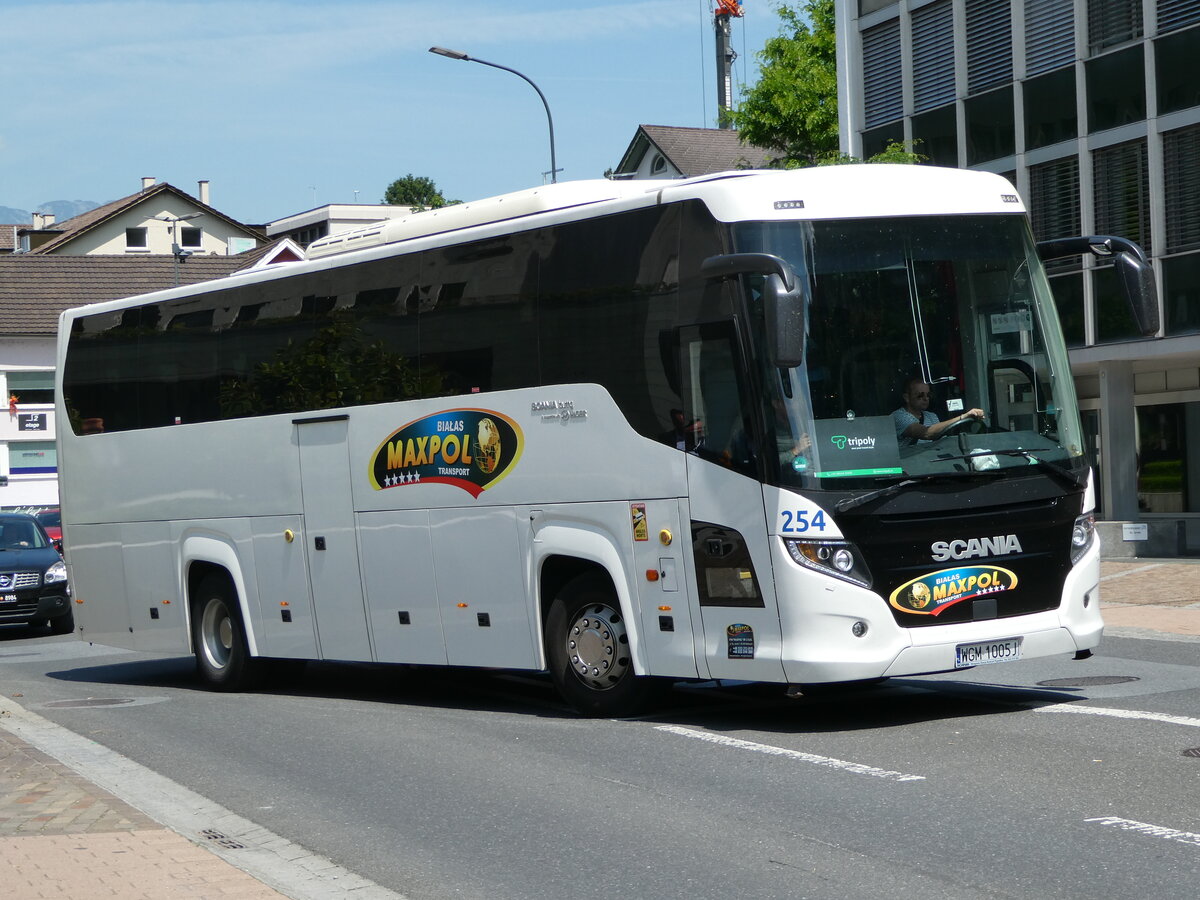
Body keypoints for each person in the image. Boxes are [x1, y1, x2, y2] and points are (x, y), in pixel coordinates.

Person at [893, 377, 984, 447]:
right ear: (906, 398)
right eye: (920, 395)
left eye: (928, 395)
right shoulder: (898, 417)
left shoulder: (932, 417)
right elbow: (926, 433)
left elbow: (941, 442)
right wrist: (963, 417)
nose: (926, 398)